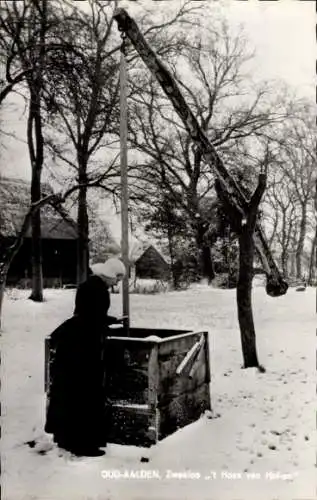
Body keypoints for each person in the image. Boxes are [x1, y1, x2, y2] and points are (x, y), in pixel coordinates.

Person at [45, 258, 126, 457]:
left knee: (71, 390)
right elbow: (91, 318)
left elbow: (88, 314)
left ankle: (67, 438)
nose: (117, 283)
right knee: (85, 391)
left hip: (75, 340)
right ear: (110, 275)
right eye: (117, 278)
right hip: (82, 345)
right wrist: (106, 324)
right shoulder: (97, 289)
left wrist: (110, 320)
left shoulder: (91, 285)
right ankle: (83, 444)